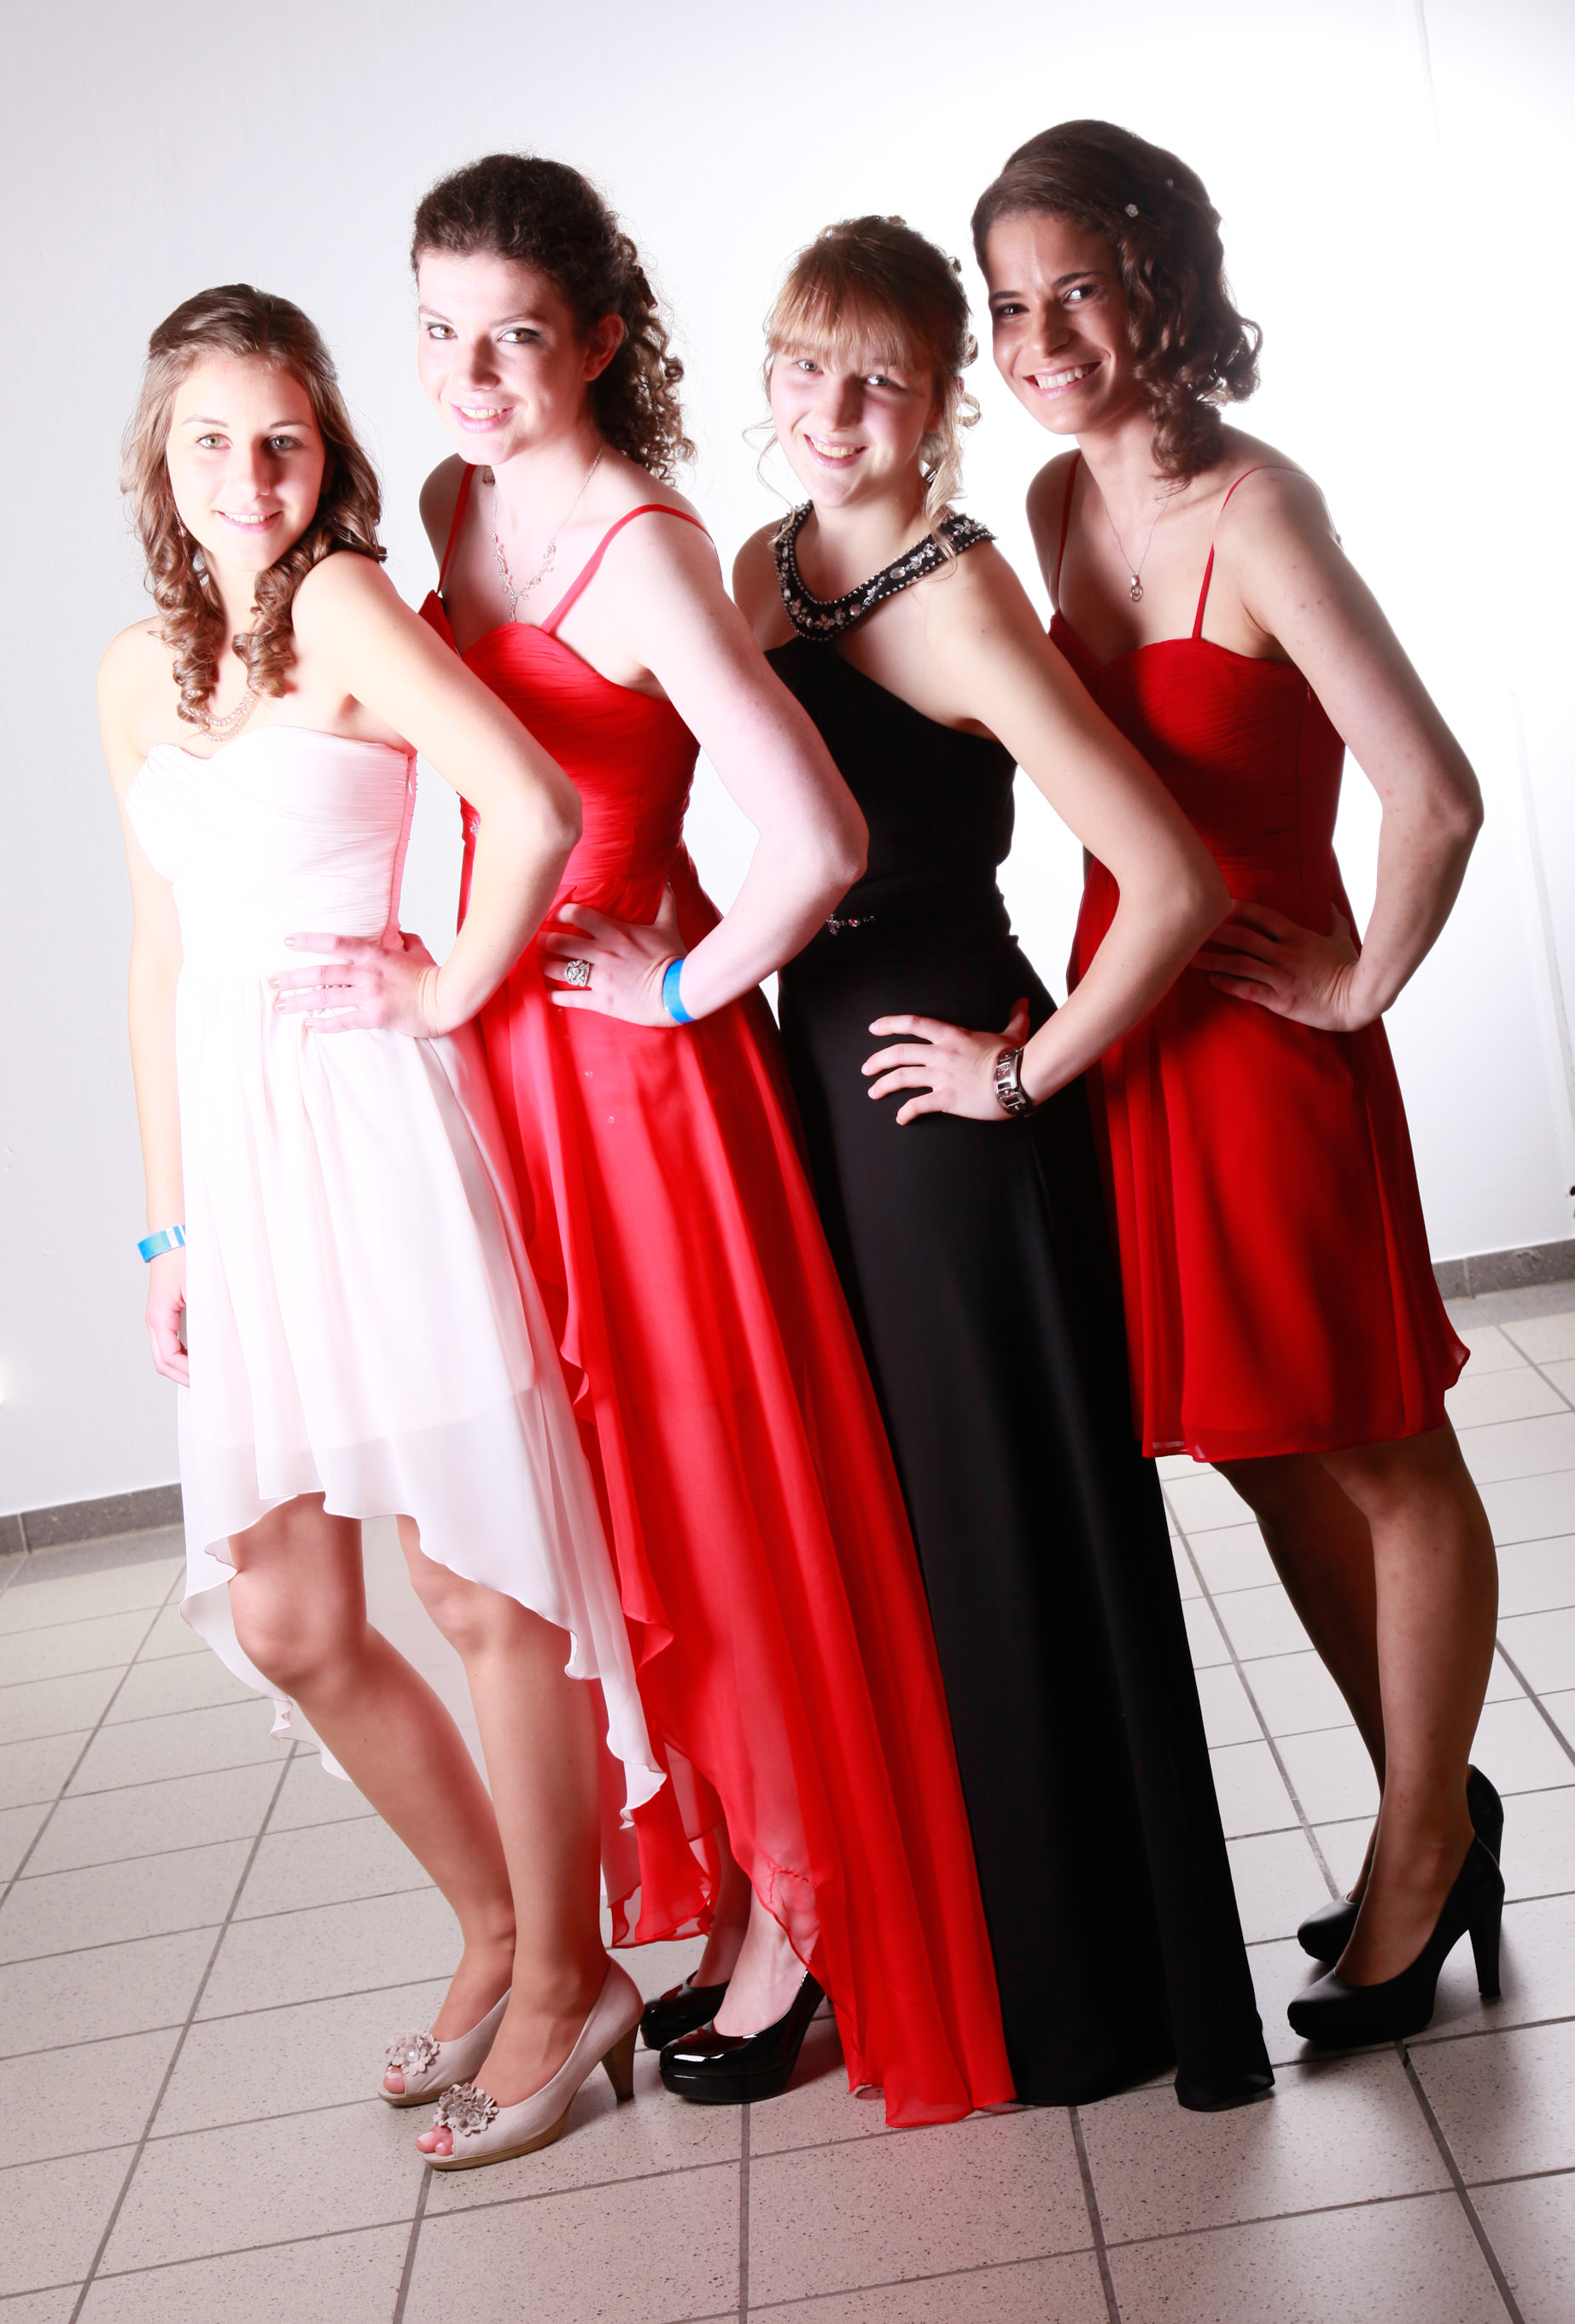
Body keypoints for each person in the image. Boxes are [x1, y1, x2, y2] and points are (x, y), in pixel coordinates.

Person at [372, 153, 1013, 2129]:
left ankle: (803, 1918)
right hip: (508, 1068)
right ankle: (726, 1883)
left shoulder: (640, 548)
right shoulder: (451, 502)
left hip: (639, 1102)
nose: (472, 377)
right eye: (440, 333)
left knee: (711, 1506)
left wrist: (673, 993)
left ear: (599, 341)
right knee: (607, 1508)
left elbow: (815, 840)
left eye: (515, 337)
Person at [100, 285, 666, 2175]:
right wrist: (169, 1235)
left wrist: (446, 988)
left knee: (473, 1582)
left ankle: (568, 1976)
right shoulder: (133, 672)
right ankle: (499, 1929)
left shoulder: (343, 603)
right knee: (287, 1611)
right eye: (211, 441)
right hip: (237, 1170)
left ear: (324, 450)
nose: (249, 475)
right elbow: (161, 956)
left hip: (366, 1125)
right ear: (160, 459)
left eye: (283, 438)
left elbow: (532, 801)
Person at [972, 120, 1503, 2045]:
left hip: (1268, 1052)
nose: (1039, 339)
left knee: (1378, 1446)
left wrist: (1355, 989)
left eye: (1077, 292)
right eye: (1007, 305)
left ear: (1163, 289)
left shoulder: (1257, 511)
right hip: (1138, 1034)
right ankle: (1425, 1809)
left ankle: (1423, 1851)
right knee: (1259, 1448)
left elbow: (1432, 795)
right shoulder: (1050, 503)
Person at [734, 214, 1271, 2110]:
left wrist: (1020, 1077)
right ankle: (937, 1949)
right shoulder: (759, 565)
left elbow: (1175, 880)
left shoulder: (962, 598)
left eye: (880, 378)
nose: (834, 410)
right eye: (806, 366)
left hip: (941, 1111)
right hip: (815, 1079)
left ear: (942, 400)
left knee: (994, 1536)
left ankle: (1084, 1994)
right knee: (888, 1534)